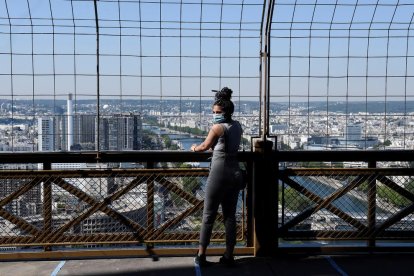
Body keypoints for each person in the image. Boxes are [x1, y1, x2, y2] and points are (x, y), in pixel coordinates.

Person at [190, 87, 243, 266]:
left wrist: (194, 148)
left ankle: (201, 255)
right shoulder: (238, 126)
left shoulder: (217, 127)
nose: (214, 115)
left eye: (217, 112)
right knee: (230, 216)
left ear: (225, 111)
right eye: (213, 112)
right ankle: (229, 255)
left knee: (208, 215)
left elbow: (205, 146)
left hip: (219, 173)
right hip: (235, 173)